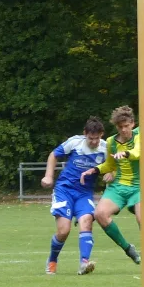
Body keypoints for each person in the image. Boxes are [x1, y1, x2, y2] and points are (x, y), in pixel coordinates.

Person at [42, 116, 107, 275]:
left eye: (96, 138)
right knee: (64, 231)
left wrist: (110, 173)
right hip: (65, 190)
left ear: (102, 135)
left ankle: (84, 263)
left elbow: (112, 165)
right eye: (90, 138)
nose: (93, 142)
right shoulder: (75, 142)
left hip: (84, 193)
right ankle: (52, 260)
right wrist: (48, 176)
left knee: (86, 222)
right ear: (85, 134)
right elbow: (53, 155)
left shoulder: (106, 148)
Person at [80, 106, 142, 266]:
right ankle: (128, 249)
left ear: (132, 124)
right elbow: (109, 164)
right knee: (100, 214)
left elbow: (138, 152)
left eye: (126, 126)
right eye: (120, 127)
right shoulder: (111, 142)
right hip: (119, 187)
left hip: (139, 187)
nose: (123, 130)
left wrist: (126, 154)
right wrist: (94, 170)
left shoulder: (140, 135)